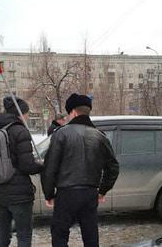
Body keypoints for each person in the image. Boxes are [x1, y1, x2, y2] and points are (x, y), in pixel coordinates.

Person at [41, 93, 119, 247]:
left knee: (60, 234)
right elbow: (113, 167)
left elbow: (50, 168)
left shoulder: (61, 134)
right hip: (90, 193)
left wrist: (49, 194)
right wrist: (102, 191)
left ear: (74, 112)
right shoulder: (100, 136)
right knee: (90, 235)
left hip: (66, 194)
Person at [0, 96, 44, 247]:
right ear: (20, 114)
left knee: (3, 235)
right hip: (19, 196)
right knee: (24, 236)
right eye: (26, 113)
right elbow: (27, 166)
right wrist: (42, 166)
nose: (27, 116)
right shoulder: (20, 131)